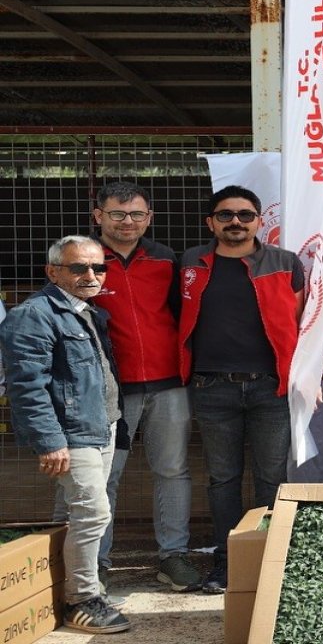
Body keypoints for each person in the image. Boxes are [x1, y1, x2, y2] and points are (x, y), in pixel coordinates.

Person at [0, 236, 131, 633]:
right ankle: (82, 599)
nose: (90, 275)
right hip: (73, 435)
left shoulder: (85, 311)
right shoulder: (34, 315)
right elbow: (26, 386)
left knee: (78, 512)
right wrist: (51, 442)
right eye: (78, 268)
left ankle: (63, 588)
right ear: (53, 271)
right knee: (93, 513)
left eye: (98, 268)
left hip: (100, 426)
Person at [178, 185, 304, 594]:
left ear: (259, 220)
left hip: (271, 388)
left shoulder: (286, 263)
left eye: (245, 215)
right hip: (212, 388)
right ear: (210, 222)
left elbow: (302, 319)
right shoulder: (190, 263)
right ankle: (227, 561)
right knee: (223, 480)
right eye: (226, 214)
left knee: (271, 478)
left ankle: (272, 558)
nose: (236, 221)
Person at [89, 182, 201, 592]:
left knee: (172, 470)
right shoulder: (84, 260)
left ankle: (173, 556)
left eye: (136, 214)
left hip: (169, 384)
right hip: (108, 391)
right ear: (99, 215)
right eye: (117, 214)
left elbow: (183, 315)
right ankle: (95, 563)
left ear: (149, 217)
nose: (127, 222)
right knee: (105, 476)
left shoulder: (165, 259)